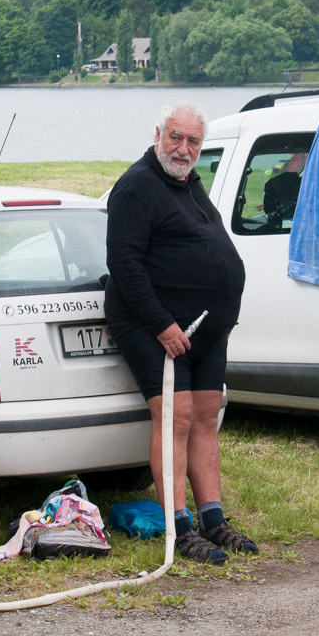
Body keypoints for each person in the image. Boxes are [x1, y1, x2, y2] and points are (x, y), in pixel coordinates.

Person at [104, 101, 257, 564]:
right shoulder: (136, 187)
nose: (183, 148)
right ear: (158, 134)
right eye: (176, 136)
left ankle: (213, 519)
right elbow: (124, 264)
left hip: (205, 330)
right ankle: (179, 527)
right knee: (176, 417)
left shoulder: (189, 183)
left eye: (192, 140)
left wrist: (222, 318)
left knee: (207, 414)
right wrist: (162, 324)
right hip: (153, 325)